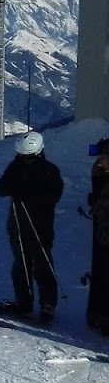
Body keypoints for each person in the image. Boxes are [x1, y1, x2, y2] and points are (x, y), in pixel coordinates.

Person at [0, 131, 64, 322]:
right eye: (22, 156)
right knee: (21, 263)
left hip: (40, 225)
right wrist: (6, 189)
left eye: (28, 157)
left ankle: (48, 304)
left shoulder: (50, 171)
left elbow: (54, 195)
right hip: (17, 223)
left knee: (42, 263)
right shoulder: (15, 166)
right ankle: (23, 302)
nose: (24, 160)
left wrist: (29, 194)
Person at [85, 137, 109, 332]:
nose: (99, 161)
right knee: (101, 274)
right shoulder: (101, 173)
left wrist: (98, 203)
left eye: (103, 157)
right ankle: (99, 315)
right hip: (102, 234)